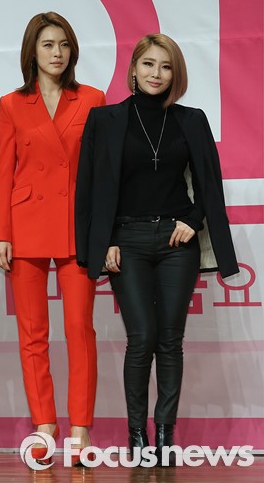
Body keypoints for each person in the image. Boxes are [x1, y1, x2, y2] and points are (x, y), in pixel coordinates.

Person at [75, 33, 238, 465]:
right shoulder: (105, 119)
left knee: (169, 340)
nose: (156, 73)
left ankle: (164, 435)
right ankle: (137, 435)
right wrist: (103, 241)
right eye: (148, 64)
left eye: (166, 66)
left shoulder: (191, 120)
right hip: (126, 241)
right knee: (142, 337)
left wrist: (193, 220)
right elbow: (90, 188)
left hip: (175, 242)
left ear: (175, 74)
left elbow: (208, 182)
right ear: (133, 69)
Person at [0, 12, 106, 467]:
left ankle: (80, 428)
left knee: (80, 329)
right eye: (47, 45)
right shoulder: (11, 104)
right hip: (26, 225)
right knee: (33, 334)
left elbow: (103, 171)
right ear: (32, 52)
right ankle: (44, 426)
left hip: (78, 225)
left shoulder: (93, 99)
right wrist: (0, 233)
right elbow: (3, 172)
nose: (57, 53)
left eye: (63, 44)